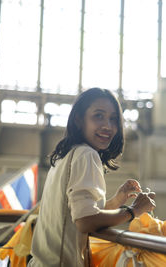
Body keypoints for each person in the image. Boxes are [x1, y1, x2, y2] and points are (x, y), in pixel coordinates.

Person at [28, 88, 156, 267]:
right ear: (79, 120)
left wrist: (117, 200)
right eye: (98, 116)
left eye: (113, 119)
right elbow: (85, 222)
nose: (107, 126)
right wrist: (133, 211)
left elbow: (80, 212)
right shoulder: (86, 154)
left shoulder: (67, 155)